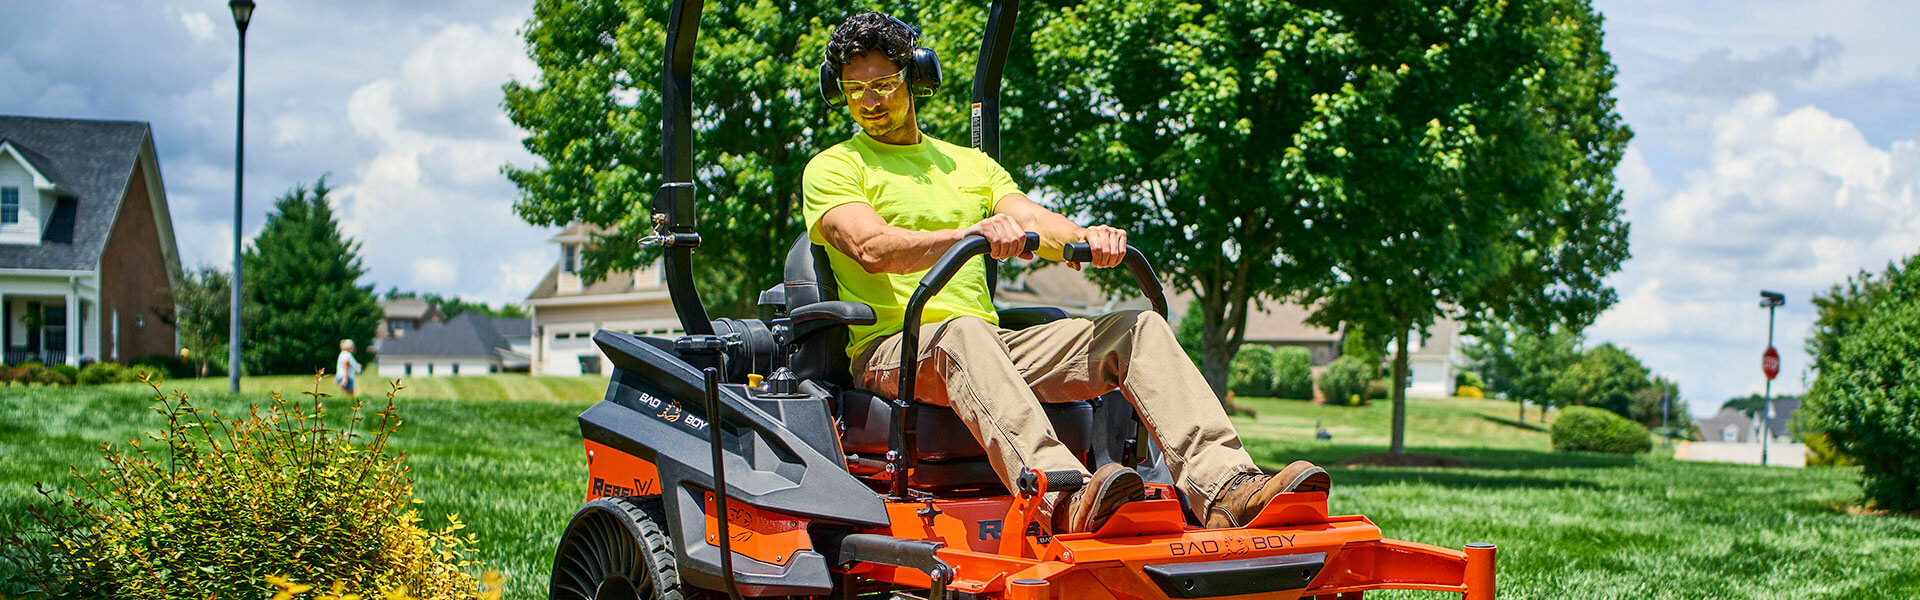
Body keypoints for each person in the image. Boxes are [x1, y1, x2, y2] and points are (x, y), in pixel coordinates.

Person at [802, 12, 1329, 534]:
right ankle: (1062, 496)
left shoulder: (970, 166)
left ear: (914, 79)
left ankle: (1227, 488)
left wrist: (1084, 239)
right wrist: (972, 236)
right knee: (962, 336)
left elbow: (1032, 219)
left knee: (1137, 329)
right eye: (855, 89)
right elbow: (870, 246)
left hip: (987, 346)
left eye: (884, 84)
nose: (870, 101)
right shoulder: (835, 167)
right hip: (897, 350)